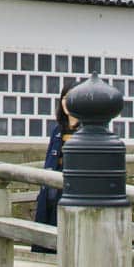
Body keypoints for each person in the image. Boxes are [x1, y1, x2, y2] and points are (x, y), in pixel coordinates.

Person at [30, 82, 79, 249]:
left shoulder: (87, 131)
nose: (68, 103)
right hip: (50, 188)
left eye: (73, 98)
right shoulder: (57, 130)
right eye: (65, 98)